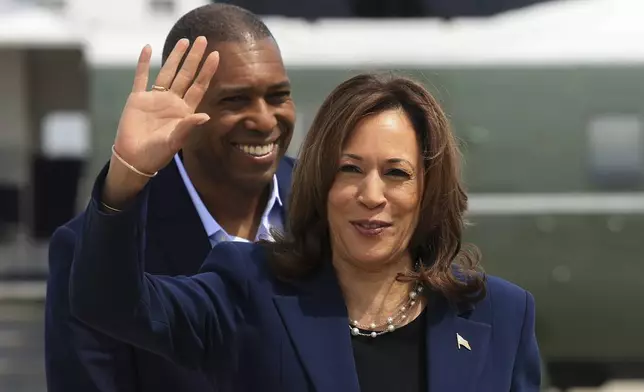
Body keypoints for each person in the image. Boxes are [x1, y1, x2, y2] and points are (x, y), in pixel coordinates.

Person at [68, 38, 542, 392]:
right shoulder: (249, 290)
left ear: (428, 190)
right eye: (349, 169)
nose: (371, 194)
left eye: (396, 173)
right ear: (322, 183)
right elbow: (108, 305)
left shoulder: (500, 314)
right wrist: (128, 177)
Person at [44, 4, 296, 392]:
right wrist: (126, 174)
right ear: (183, 108)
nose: (264, 121)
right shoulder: (88, 252)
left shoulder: (335, 206)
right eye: (236, 100)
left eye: (278, 96)